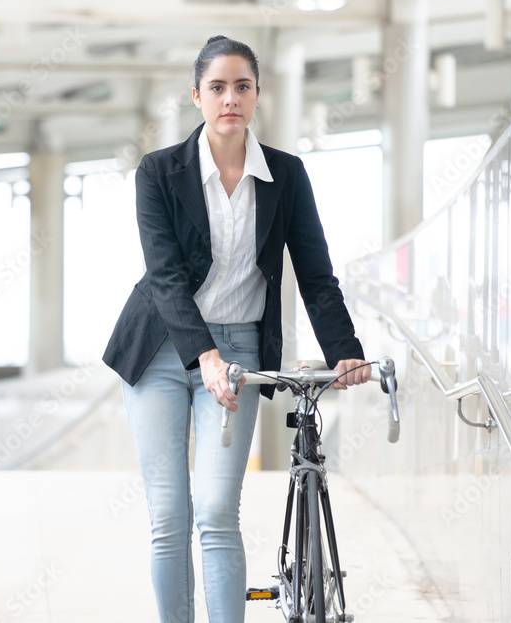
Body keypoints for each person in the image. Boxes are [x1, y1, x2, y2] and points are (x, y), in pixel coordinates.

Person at [102, 35, 370, 623]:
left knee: (218, 510)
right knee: (169, 515)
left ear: (256, 95)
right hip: (159, 350)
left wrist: (346, 351)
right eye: (217, 88)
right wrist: (204, 356)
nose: (230, 99)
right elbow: (166, 277)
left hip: (241, 349)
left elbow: (317, 274)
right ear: (196, 96)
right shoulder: (158, 172)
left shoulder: (287, 175)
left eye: (242, 87)